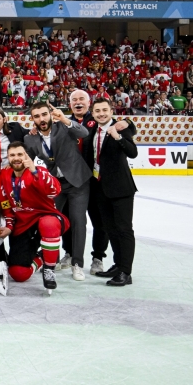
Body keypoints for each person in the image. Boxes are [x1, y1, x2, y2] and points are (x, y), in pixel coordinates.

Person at [23, 103, 91, 281]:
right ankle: (49, 259)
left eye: (44, 114)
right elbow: (26, 162)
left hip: (78, 181)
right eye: (37, 116)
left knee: (78, 222)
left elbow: (84, 133)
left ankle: (77, 264)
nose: (41, 119)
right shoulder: (30, 138)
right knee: (50, 222)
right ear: (33, 119)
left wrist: (65, 119)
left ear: (50, 115)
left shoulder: (63, 126)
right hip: (55, 185)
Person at [0, 142, 69, 295]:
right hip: (23, 224)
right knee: (18, 273)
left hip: (45, 217)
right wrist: (9, 225)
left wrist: (34, 171)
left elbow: (54, 191)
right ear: (8, 158)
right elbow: (4, 202)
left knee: (48, 223)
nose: (16, 158)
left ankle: (49, 269)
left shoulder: (38, 171)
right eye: (12, 155)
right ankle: (43, 257)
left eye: (20, 154)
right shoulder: (4, 174)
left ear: (27, 156)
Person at [83, 98, 138, 286]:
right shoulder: (91, 129)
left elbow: (132, 152)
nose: (101, 114)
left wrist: (119, 136)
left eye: (104, 110)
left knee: (124, 230)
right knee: (110, 230)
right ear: (93, 112)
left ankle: (126, 272)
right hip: (100, 188)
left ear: (111, 110)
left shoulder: (121, 128)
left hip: (121, 188)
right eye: (97, 111)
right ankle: (118, 265)